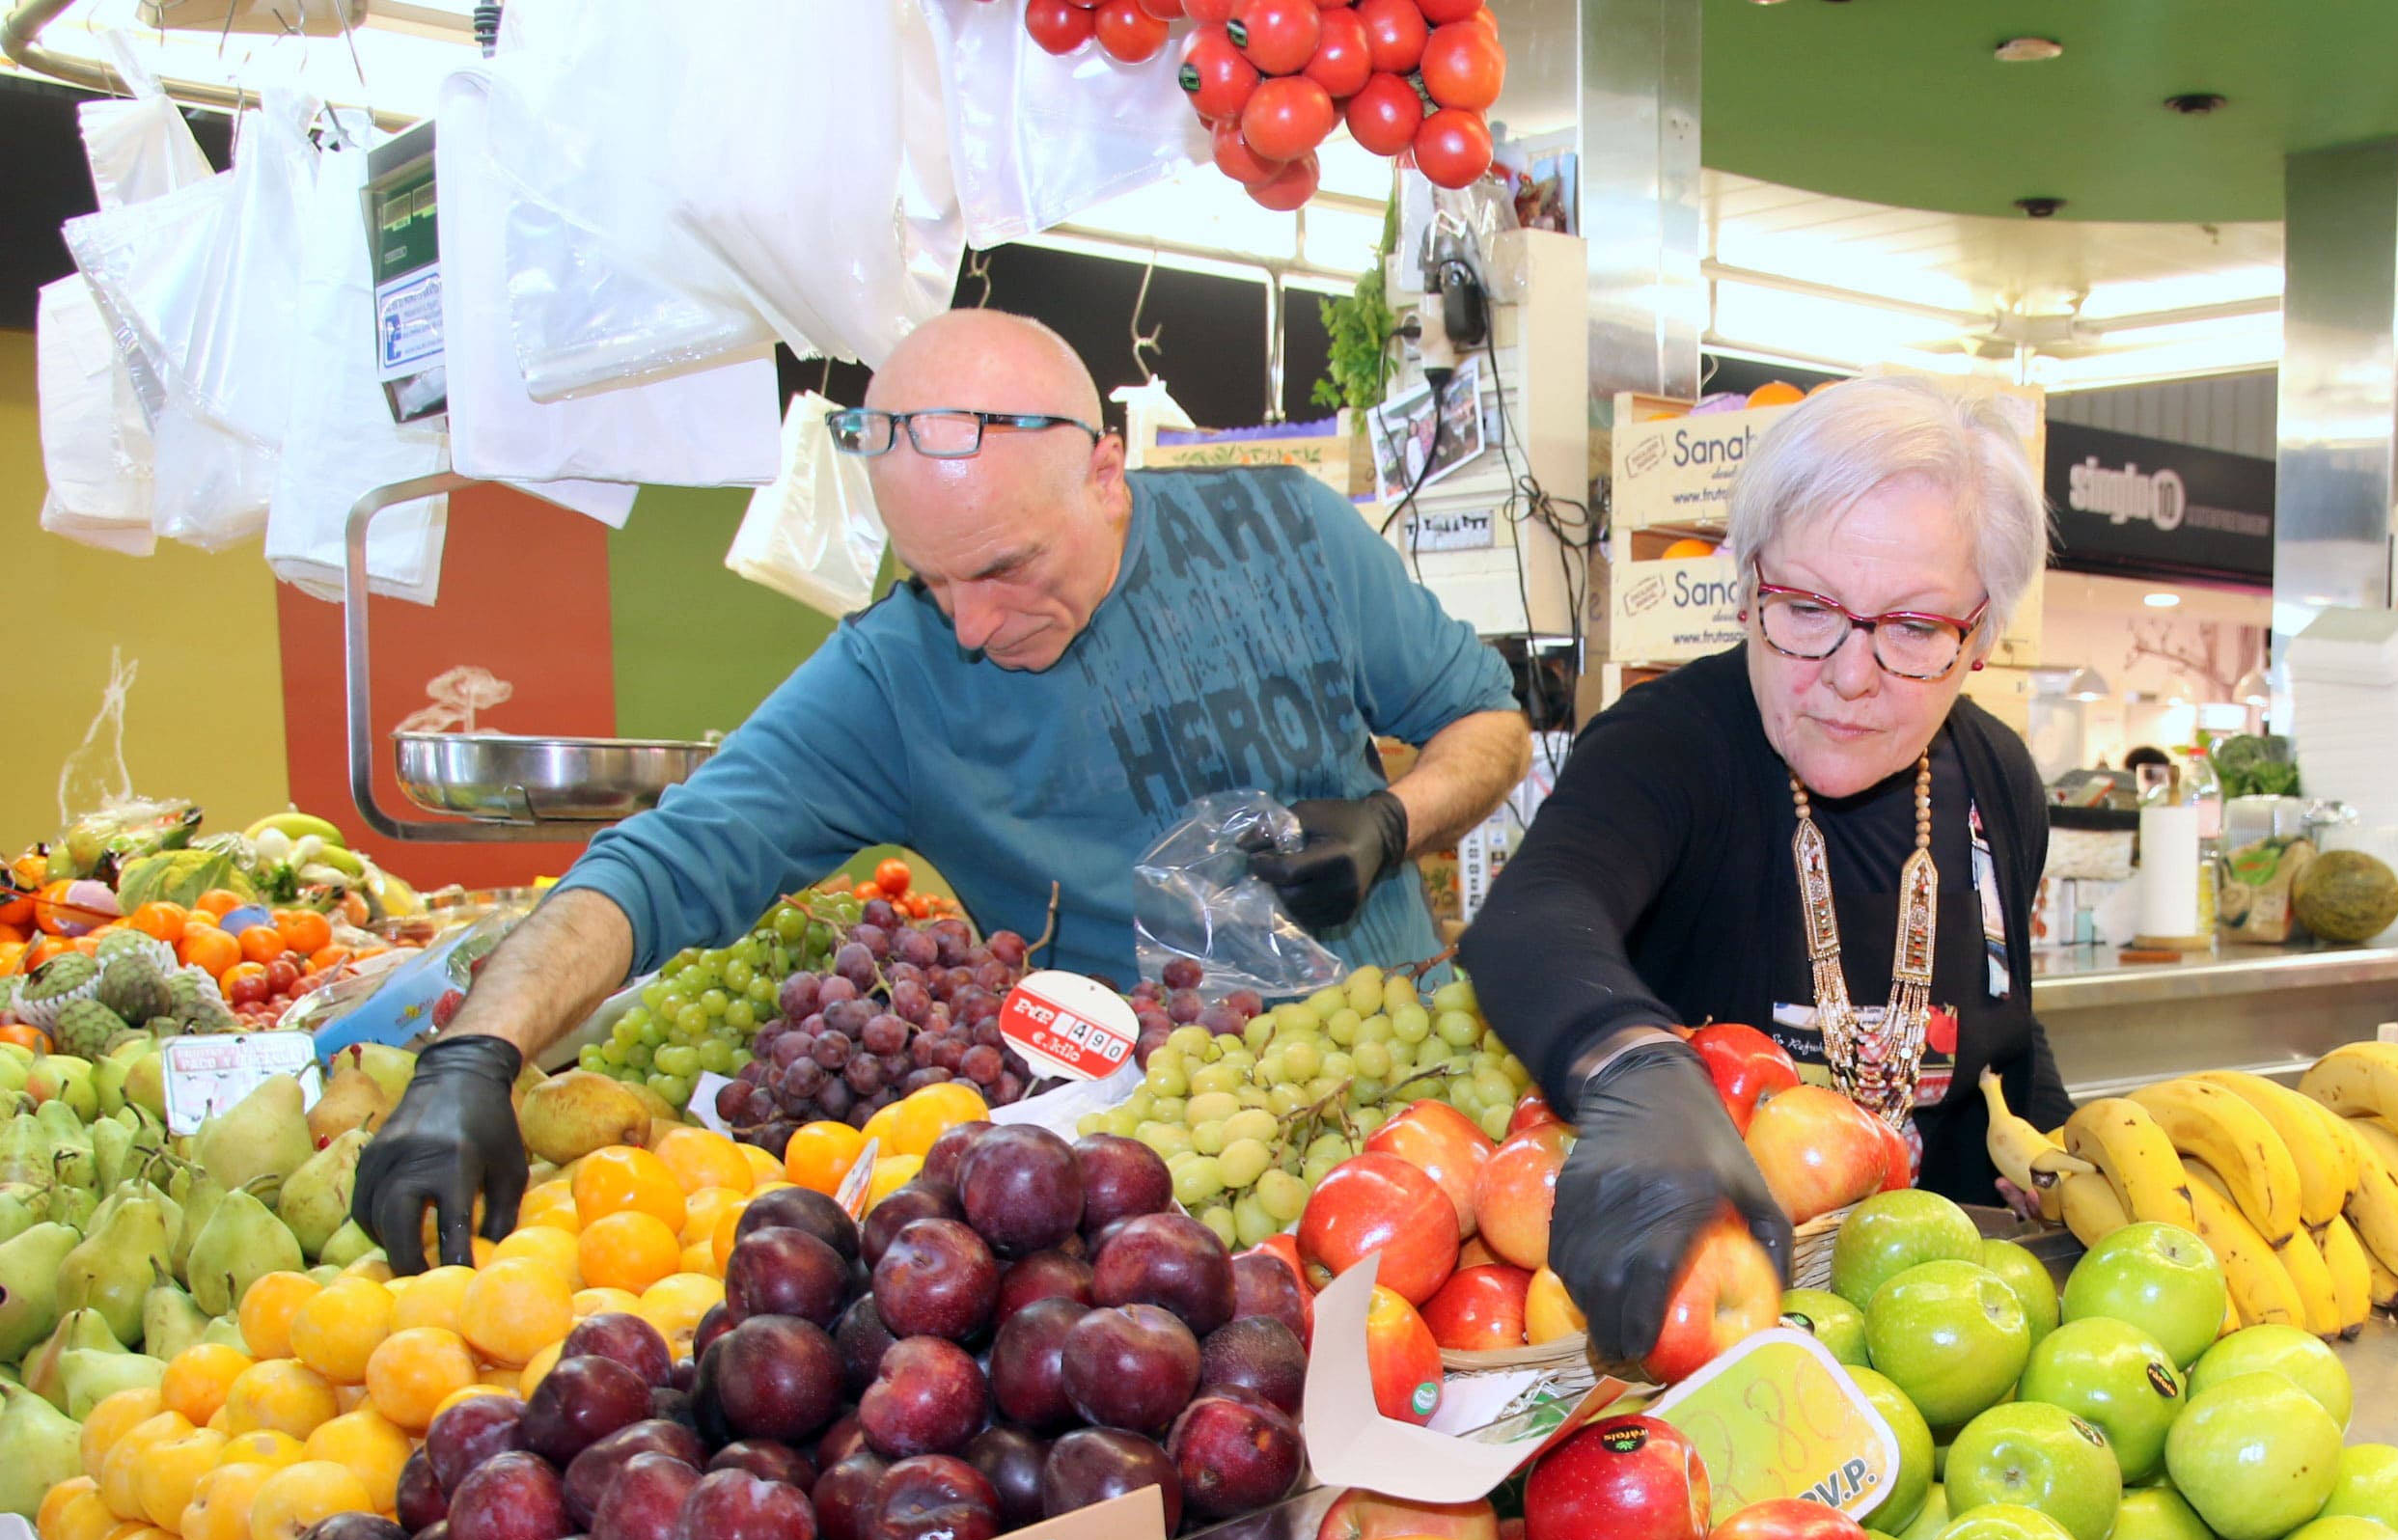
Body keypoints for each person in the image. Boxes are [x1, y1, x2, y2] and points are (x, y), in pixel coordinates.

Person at [356, 310, 1531, 1270]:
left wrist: (1394, 819)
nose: (969, 625)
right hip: (1151, 1193)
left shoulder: (1286, 532)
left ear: (1107, 476)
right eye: (930, 580)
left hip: (1420, 1115)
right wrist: (475, 1055)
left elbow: (1485, 720)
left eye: (1006, 567)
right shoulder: (895, 680)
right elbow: (665, 862)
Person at [1459, 374, 2068, 1367]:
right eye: (1806, 606)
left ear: (1983, 637)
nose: (1849, 671)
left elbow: (1999, 1035)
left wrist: (2068, 1160)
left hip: (1952, 1340)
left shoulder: (1998, 782)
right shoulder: (1672, 747)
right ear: (1744, 589)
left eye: (1914, 628)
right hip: (1701, 1350)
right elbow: (1533, 911)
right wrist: (1636, 1069)